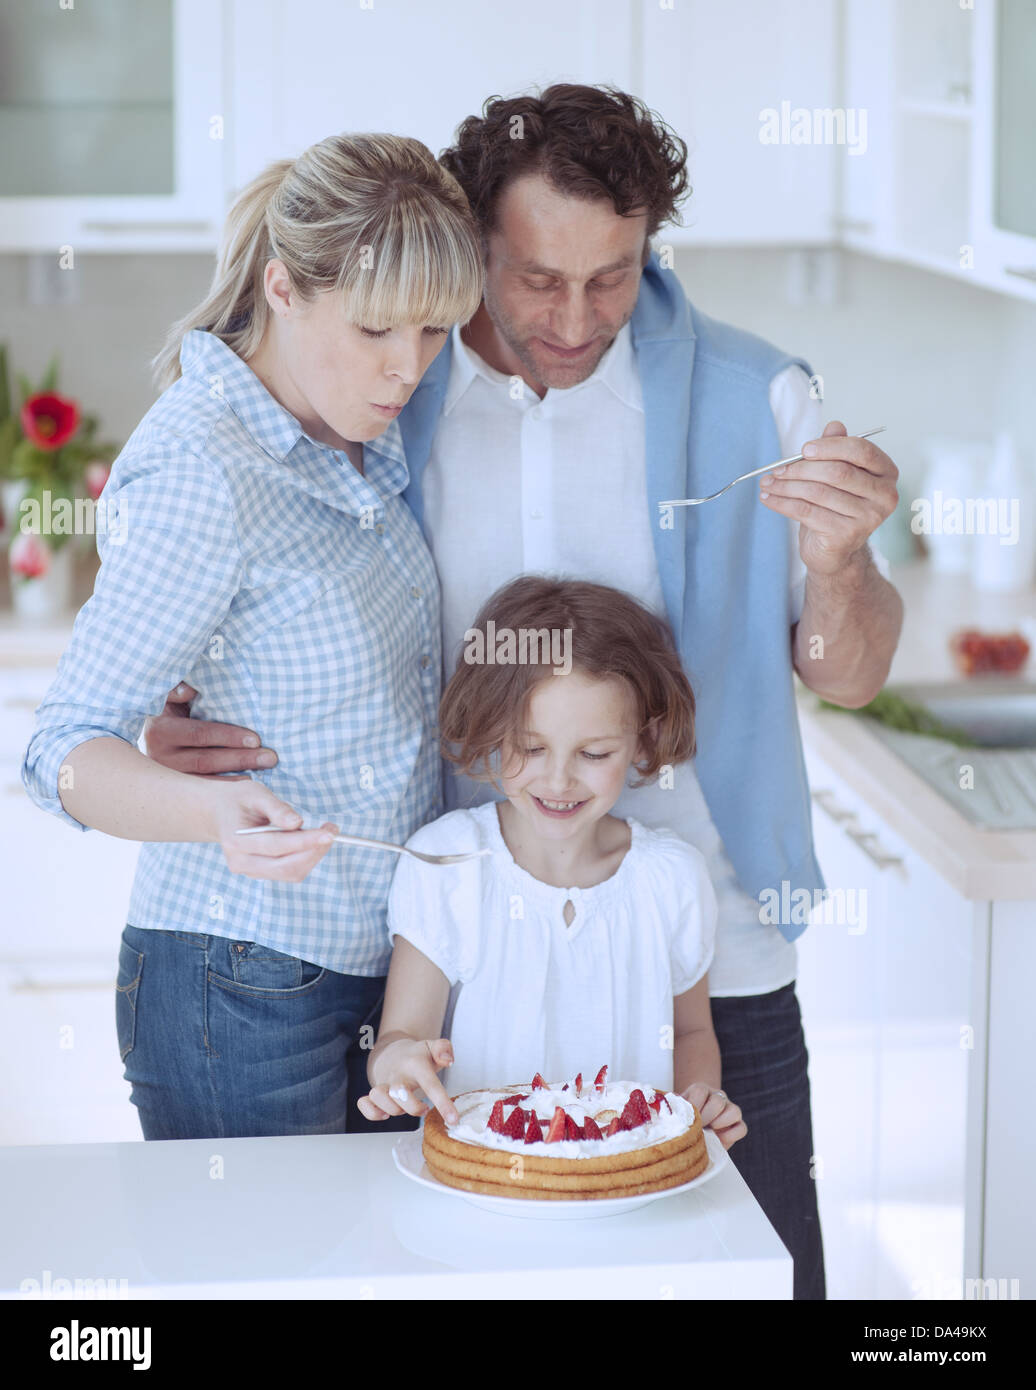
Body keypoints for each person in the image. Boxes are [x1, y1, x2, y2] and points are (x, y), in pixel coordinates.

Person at [143, 85, 903, 1297]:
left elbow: (849, 677)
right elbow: (262, 567)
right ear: (472, 243)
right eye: (536, 276)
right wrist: (171, 701)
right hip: (468, 961)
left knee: (766, 1278)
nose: (573, 316)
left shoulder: (758, 405)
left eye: (611, 276)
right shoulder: (393, 393)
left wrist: (841, 563)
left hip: (714, 950)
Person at [21, 132, 484, 1140]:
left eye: (434, 331)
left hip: (377, 972)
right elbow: (58, 750)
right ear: (282, 288)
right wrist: (211, 814)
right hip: (235, 980)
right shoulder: (205, 470)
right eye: (376, 330)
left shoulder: (353, 431)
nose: (407, 367)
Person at [355, 575, 747, 1151]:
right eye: (531, 748)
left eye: (594, 754)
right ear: (491, 727)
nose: (559, 779)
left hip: (630, 1187)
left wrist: (699, 1098)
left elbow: (690, 1031)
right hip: (485, 1186)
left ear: (642, 741)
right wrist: (398, 1067)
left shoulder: (673, 878)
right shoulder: (447, 863)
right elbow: (399, 1036)